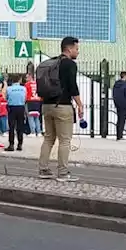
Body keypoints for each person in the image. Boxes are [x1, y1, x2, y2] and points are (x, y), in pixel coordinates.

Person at [36, 36, 82, 181]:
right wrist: (80, 104)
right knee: (65, 140)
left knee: (48, 138)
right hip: (62, 106)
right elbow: (72, 87)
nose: (78, 52)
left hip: (46, 105)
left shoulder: (51, 63)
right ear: (69, 49)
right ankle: (63, 173)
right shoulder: (69, 64)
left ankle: (43, 169)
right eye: (76, 49)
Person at [5, 75, 27, 152]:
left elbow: (6, 98)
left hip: (12, 108)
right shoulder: (23, 88)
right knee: (20, 127)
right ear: (19, 80)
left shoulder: (9, 89)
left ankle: (11, 144)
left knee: (11, 127)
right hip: (21, 107)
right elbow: (25, 98)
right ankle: (20, 144)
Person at [112, 71, 126, 141]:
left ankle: (118, 135)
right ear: (125, 76)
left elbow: (114, 94)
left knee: (119, 119)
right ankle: (120, 135)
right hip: (124, 104)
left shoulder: (116, 84)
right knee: (122, 120)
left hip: (118, 104)